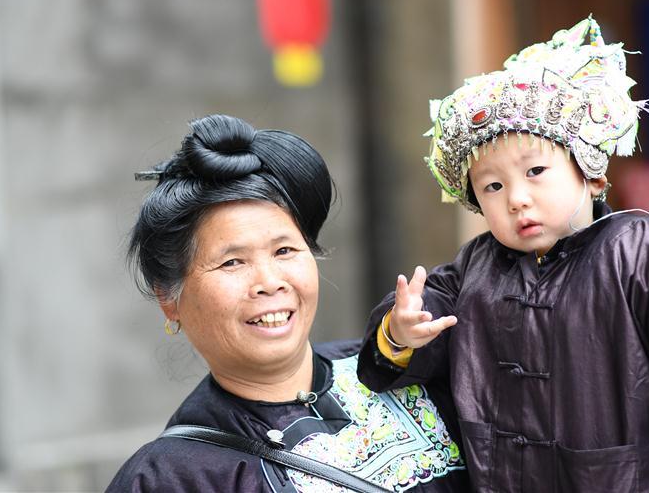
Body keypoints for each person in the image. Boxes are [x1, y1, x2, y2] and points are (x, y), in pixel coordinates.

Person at [357, 17, 649, 492]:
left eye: (535, 172)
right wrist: (400, 332)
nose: (516, 199)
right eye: (493, 186)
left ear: (592, 173)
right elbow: (426, 316)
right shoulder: (474, 268)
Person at [107, 115, 469, 492]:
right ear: (169, 299)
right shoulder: (169, 478)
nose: (269, 282)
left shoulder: (406, 366)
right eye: (232, 262)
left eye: (284, 250)